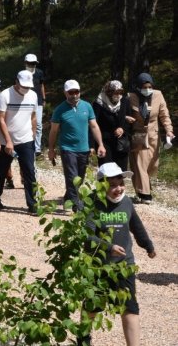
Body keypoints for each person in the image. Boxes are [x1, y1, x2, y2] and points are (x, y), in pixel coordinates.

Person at [80, 162, 156, 346]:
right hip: (98, 266)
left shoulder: (127, 202)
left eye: (120, 183)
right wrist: (108, 247)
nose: (118, 189)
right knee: (93, 305)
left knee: (129, 307)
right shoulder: (93, 204)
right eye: (112, 185)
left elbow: (136, 226)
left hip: (124, 265)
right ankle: (83, 339)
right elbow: (86, 236)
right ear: (101, 185)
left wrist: (148, 246)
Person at [48, 80, 106, 211]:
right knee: (72, 177)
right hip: (67, 148)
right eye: (71, 92)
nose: (74, 95)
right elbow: (53, 131)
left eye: (76, 92)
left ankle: (68, 198)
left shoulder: (87, 107)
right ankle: (76, 206)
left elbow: (94, 126)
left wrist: (100, 144)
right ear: (65, 93)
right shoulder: (59, 110)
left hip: (84, 149)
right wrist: (51, 149)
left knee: (79, 178)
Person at [0, 70, 38, 213]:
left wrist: (33, 136)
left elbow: (34, 117)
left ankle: (32, 204)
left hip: (26, 140)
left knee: (30, 172)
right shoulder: (5, 95)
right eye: (23, 86)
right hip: (7, 142)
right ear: (16, 81)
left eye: (28, 86)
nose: (25, 89)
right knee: (2, 171)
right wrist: (8, 141)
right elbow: (1, 119)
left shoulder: (33, 95)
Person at [128, 73, 174, 204]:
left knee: (152, 164)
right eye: (144, 86)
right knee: (140, 163)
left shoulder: (158, 95)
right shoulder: (131, 97)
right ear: (138, 87)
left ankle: (141, 189)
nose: (147, 89)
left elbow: (164, 115)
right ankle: (145, 194)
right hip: (138, 134)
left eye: (149, 86)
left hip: (154, 133)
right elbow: (124, 112)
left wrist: (169, 130)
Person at [92, 80, 131, 171]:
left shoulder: (124, 101)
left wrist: (123, 129)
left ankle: (118, 186)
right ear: (109, 92)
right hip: (104, 141)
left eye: (120, 92)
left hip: (121, 142)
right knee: (106, 171)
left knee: (120, 172)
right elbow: (93, 123)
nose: (118, 95)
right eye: (115, 92)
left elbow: (129, 120)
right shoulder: (99, 103)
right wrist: (93, 145)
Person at [24, 54, 46, 155]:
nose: (32, 65)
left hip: (38, 101)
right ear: (25, 63)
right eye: (30, 63)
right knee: (26, 124)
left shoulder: (39, 73)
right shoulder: (22, 74)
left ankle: (37, 148)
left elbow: (41, 85)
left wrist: (44, 98)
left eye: (33, 63)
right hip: (25, 102)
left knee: (38, 125)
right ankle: (27, 145)